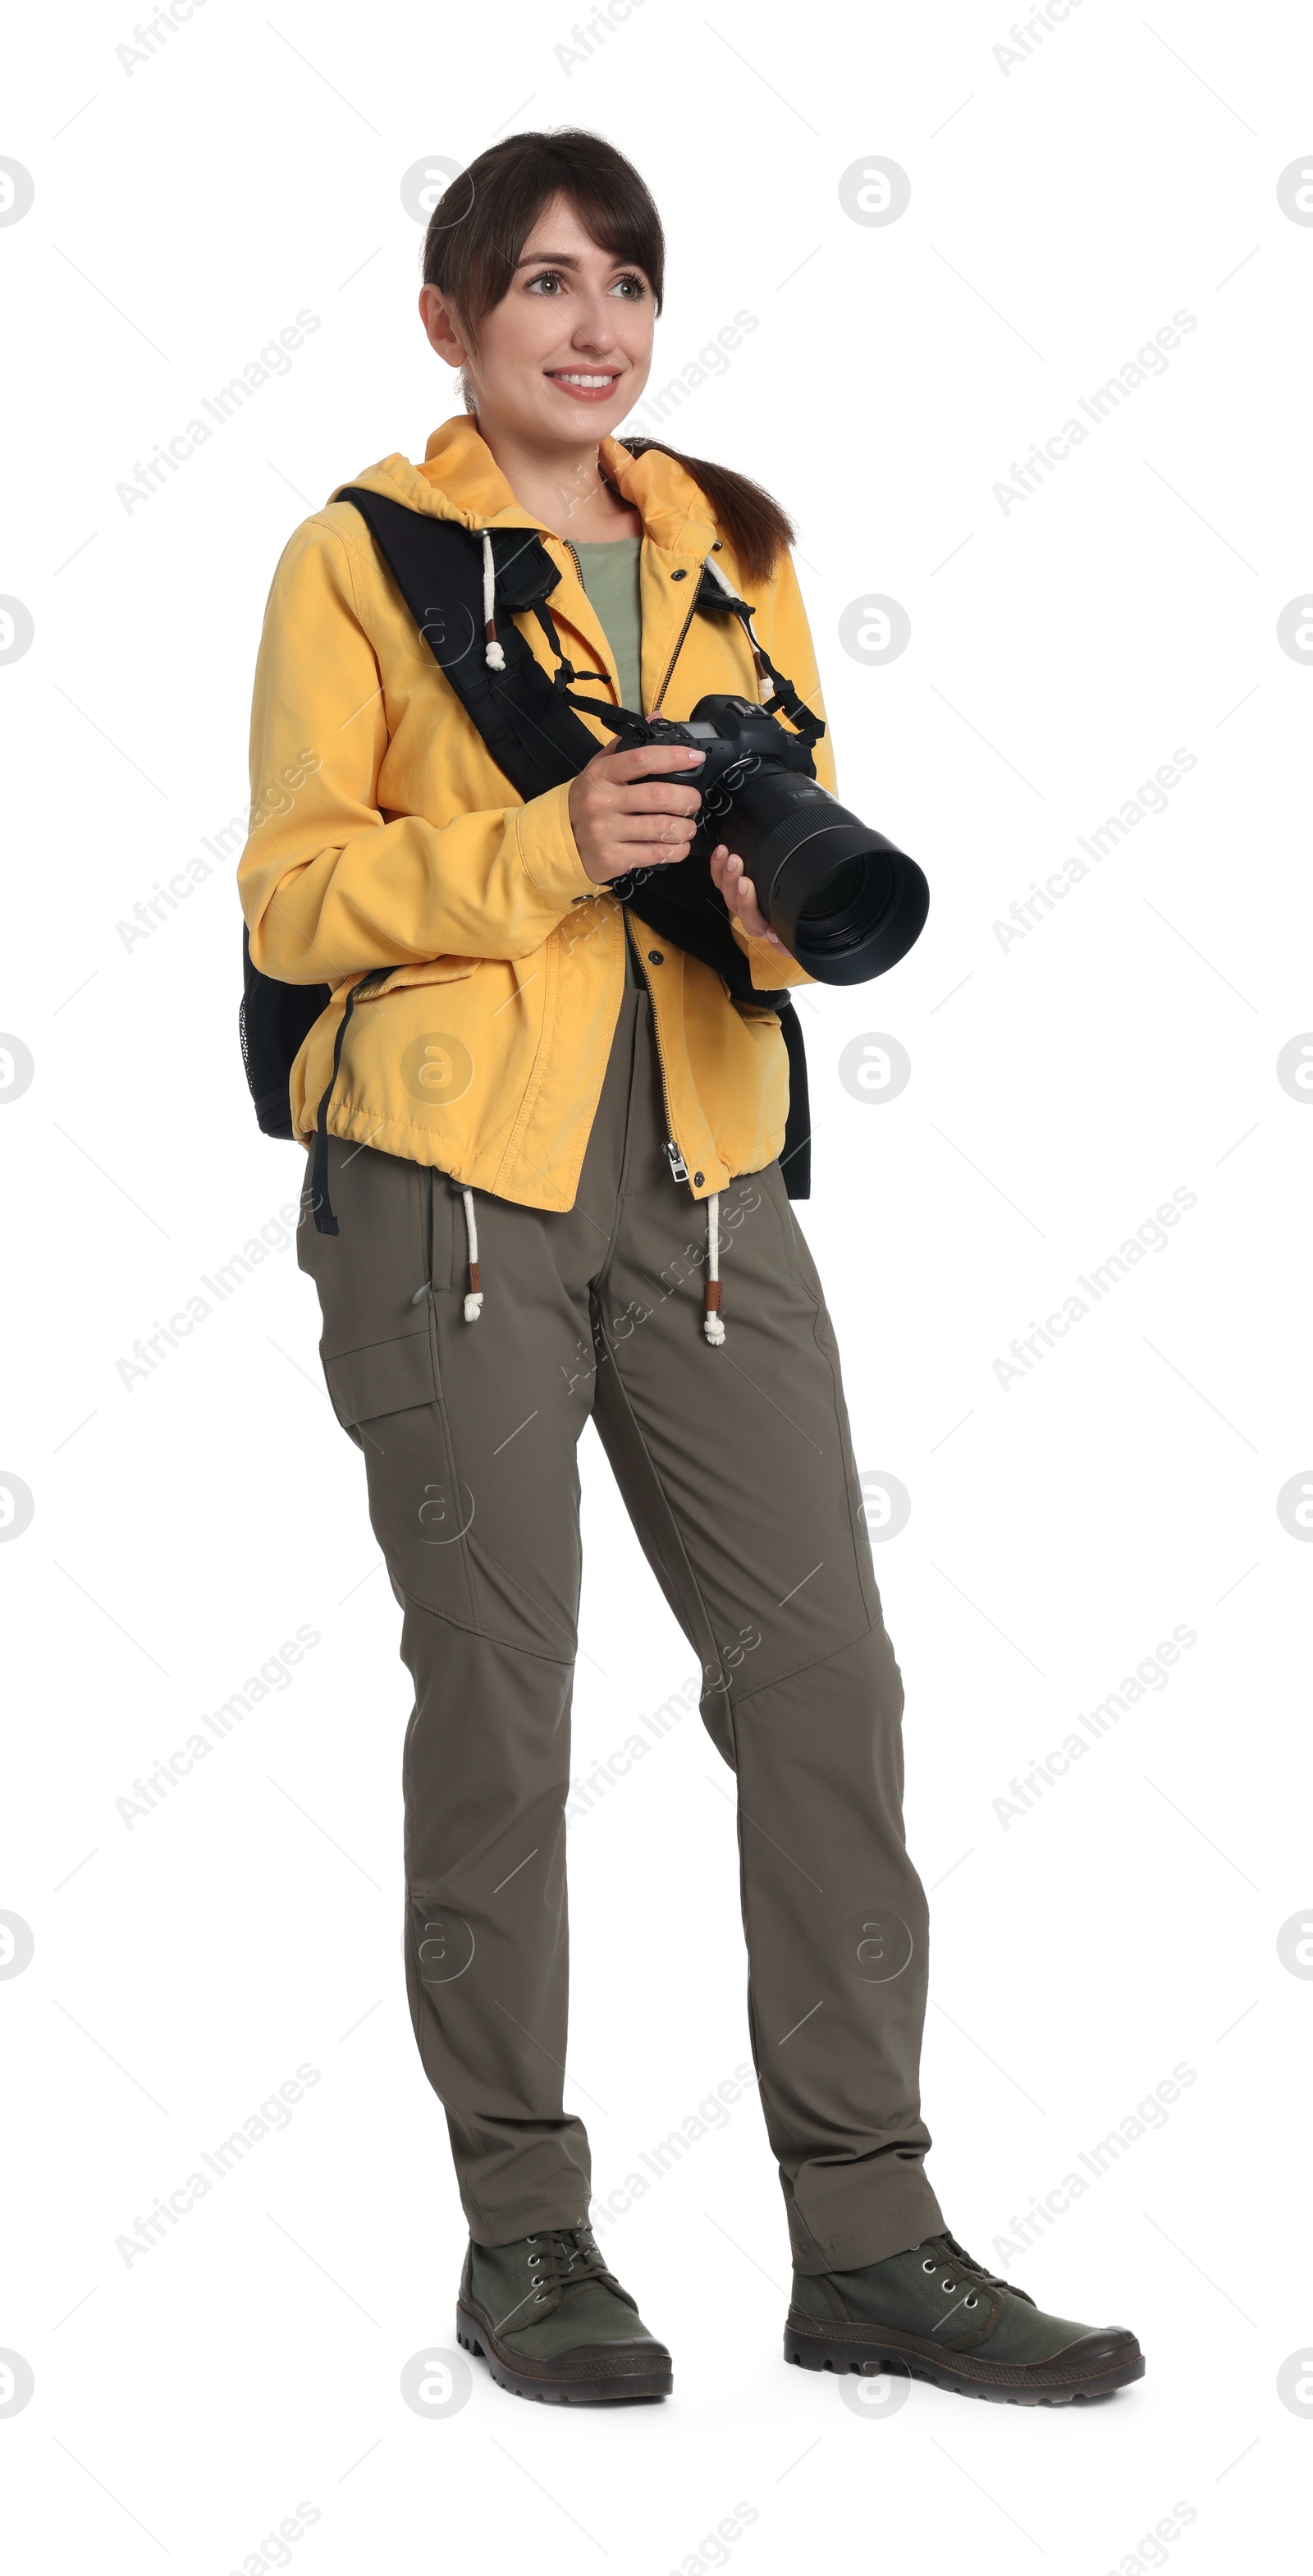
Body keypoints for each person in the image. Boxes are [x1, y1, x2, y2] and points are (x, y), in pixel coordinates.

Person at [236, 127, 1143, 2409]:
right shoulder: (361, 561)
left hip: (716, 1186)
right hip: (451, 1188)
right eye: (544, 280)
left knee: (826, 1683)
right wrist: (547, 841)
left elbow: (791, 839)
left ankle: (873, 2236)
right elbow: (288, 899)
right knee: (508, 1711)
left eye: (628, 275)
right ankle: (524, 2232)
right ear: (453, 322)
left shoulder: (735, 549)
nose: (597, 318)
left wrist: (757, 913)